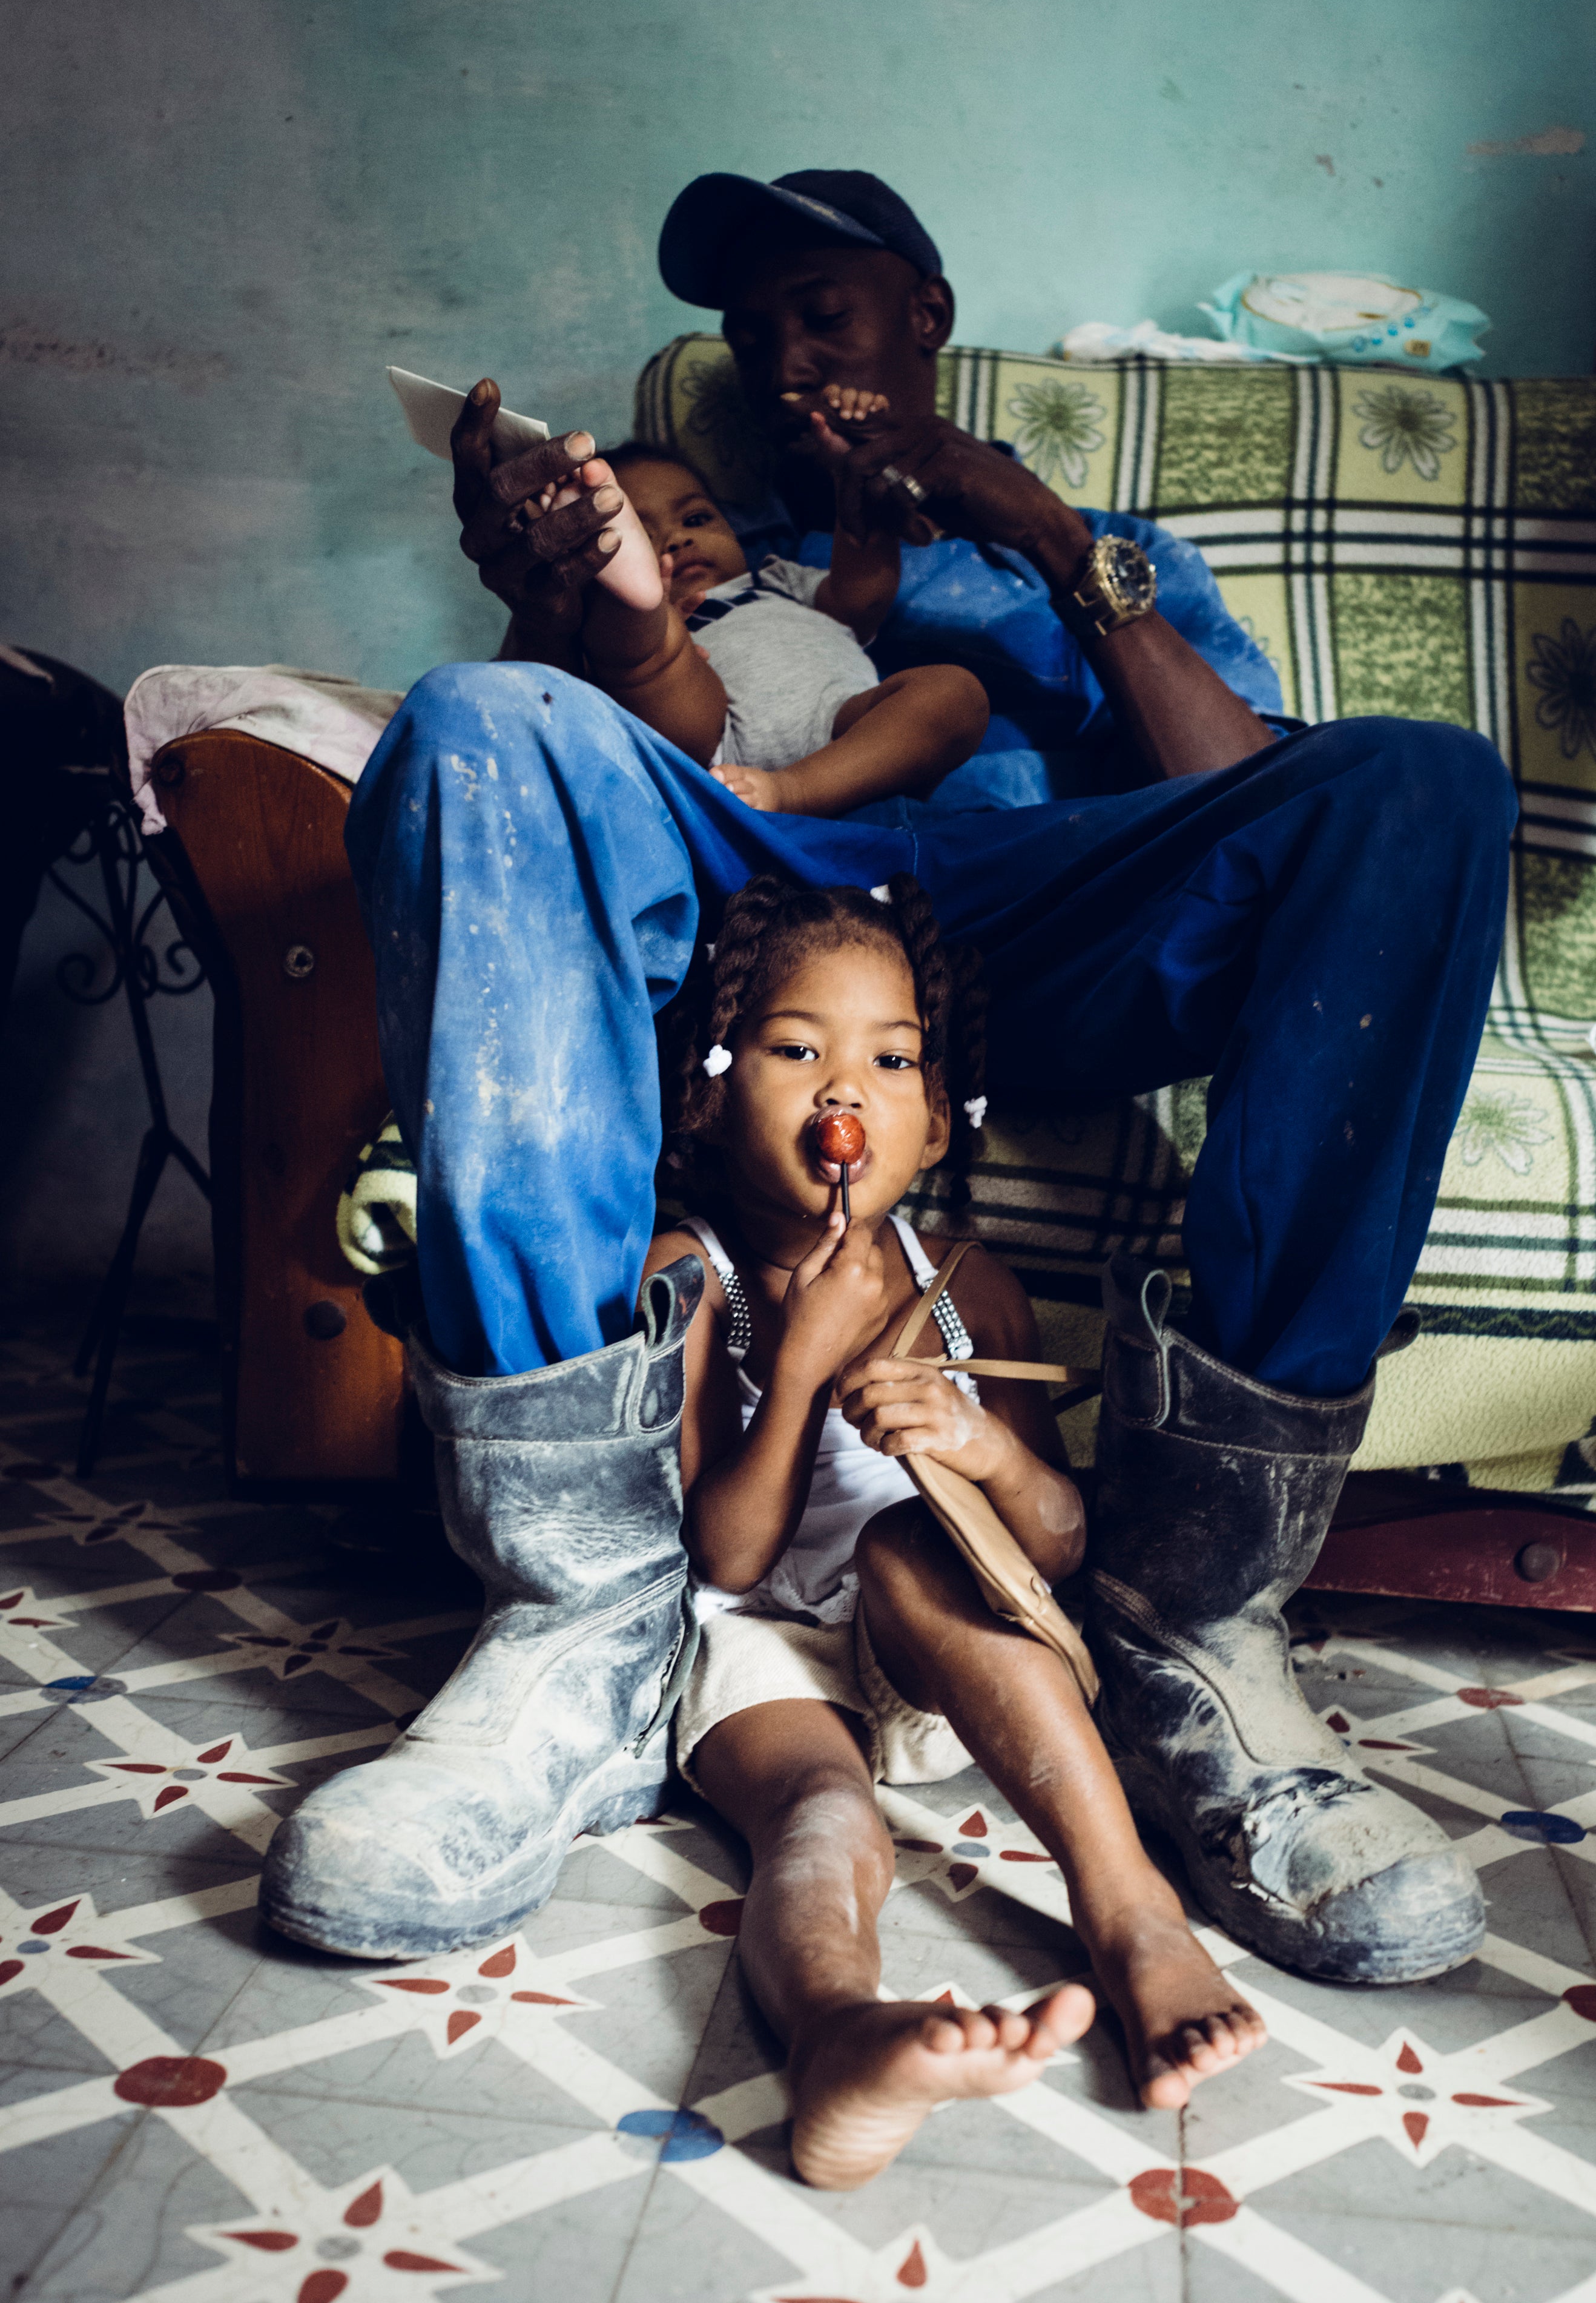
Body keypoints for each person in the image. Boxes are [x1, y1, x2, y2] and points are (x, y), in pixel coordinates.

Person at [263, 170, 1515, 1998]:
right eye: (750, 328)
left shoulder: (1089, 547)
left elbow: (1237, 780)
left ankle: (1196, 1617)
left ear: (920, 313)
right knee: (476, 719)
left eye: (818, 310)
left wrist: (1039, 532)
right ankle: (579, 1618)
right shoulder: (731, 553)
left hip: (1043, 919)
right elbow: (639, 768)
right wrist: (593, 604)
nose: (779, 355)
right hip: (761, 919)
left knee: (1414, 786)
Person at [650, 869, 1264, 2186]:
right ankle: (835, 2033)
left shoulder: (966, 1283)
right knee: (819, 1819)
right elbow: (727, 1554)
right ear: (706, 1088)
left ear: (933, 1119)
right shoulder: (688, 1272)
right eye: (795, 1047)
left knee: (904, 1544)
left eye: (890, 1057)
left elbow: (1052, 1542)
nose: (842, 1091)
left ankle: (1127, 1908)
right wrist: (803, 1367)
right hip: (760, 1647)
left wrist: (980, 1441)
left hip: (942, 1647)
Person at [572, 418, 988, 815]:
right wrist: (649, 621)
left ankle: (797, 791)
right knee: (654, 659)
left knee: (956, 692)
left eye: (696, 519)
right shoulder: (615, 634)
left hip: (852, 729)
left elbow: (861, 601)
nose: (678, 539)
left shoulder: (776, 580)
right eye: (642, 538)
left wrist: (857, 486)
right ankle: (649, 626)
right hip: (724, 756)